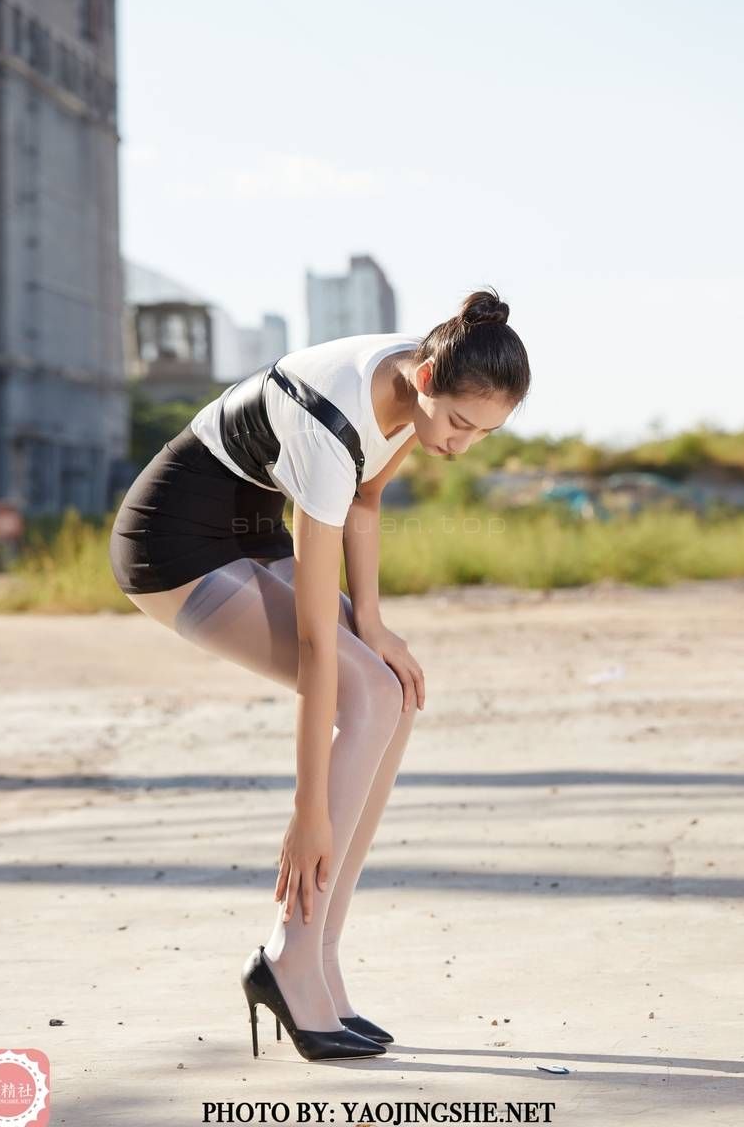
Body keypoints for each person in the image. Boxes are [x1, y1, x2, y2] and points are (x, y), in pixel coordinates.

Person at [108, 286, 531, 1061]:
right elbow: (312, 649)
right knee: (364, 688)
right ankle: (287, 956)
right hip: (171, 546)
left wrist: (373, 623)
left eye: (485, 435)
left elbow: (368, 498)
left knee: (392, 685)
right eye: (462, 426)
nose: (462, 446)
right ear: (430, 382)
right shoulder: (328, 421)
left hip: (246, 532)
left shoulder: (422, 369)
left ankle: (319, 954)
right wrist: (309, 811)